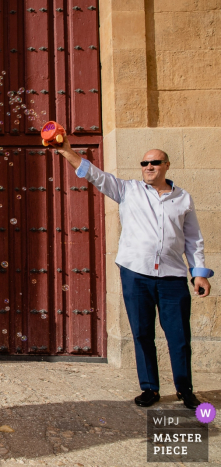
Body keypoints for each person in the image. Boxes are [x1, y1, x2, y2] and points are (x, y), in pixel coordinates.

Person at [54, 136, 213, 410]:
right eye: (144, 163)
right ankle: (150, 388)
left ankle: (184, 389)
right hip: (136, 275)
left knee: (179, 335)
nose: (148, 166)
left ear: (166, 165)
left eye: (154, 162)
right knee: (141, 333)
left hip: (173, 277)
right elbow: (96, 175)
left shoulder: (183, 198)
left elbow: (193, 239)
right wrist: (68, 152)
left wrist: (198, 273)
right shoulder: (128, 190)